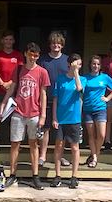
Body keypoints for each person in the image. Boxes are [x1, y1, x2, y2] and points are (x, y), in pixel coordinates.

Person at [7, 41, 49, 189]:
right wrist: (4, 103)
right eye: (31, 54)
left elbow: (43, 94)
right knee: (15, 144)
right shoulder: (19, 70)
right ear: (25, 54)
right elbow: (12, 87)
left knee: (33, 144)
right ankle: (12, 174)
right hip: (18, 111)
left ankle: (35, 176)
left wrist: (43, 115)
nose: (33, 58)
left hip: (34, 113)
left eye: (36, 55)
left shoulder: (42, 72)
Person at [50, 53, 84, 188]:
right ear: (69, 64)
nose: (78, 66)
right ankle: (57, 175)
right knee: (58, 146)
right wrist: (54, 118)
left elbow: (79, 89)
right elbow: (55, 99)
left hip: (74, 118)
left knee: (75, 147)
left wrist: (76, 73)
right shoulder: (60, 79)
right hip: (61, 118)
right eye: (76, 63)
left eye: (80, 64)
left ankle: (74, 176)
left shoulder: (82, 79)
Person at [37, 31, 70, 167]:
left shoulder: (67, 60)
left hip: (63, 100)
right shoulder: (43, 60)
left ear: (62, 45)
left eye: (58, 43)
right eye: (53, 43)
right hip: (46, 98)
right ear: (50, 45)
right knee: (45, 129)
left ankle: (60, 156)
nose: (56, 45)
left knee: (61, 131)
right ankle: (42, 156)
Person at [0, 31, 24, 153]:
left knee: (15, 117)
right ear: (2, 41)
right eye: (6, 39)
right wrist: (2, 83)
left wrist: (10, 83)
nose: (8, 42)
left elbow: (20, 70)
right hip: (0, 89)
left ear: (13, 41)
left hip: (15, 90)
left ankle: (14, 141)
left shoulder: (18, 55)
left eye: (10, 39)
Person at [81, 53, 112, 167]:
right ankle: (95, 158)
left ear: (100, 66)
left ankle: (94, 154)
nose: (95, 66)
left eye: (98, 64)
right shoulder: (85, 78)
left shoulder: (105, 77)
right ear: (90, 65)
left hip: (100, 109)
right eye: (93, 63)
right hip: (88, 109)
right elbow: (79, 90)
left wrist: (107, 98)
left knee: (101, 135)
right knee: (91, 135)